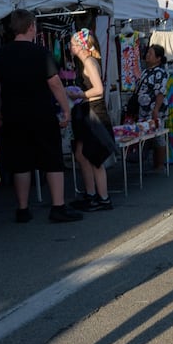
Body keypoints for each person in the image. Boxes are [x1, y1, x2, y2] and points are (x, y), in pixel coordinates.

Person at [0, 9, 83, 223]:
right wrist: (65, 109)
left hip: (13, 114)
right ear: (31, 27)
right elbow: (54, 83)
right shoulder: (41, 53)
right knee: (52, 159)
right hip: (41, 113)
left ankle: (22, 209)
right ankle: (58, 206)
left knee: (20, 162)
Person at [68, 28, 114, 212]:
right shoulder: (86, 62)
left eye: (72, 44)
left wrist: (80, 94)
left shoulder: (89, 62)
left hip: (94, 113)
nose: (70, 47)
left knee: (95, 158)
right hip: (88, 111)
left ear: (80, 46)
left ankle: (103, 198)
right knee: (82, 154)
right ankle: (91, 195)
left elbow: (99, 90)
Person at [136, 43, 171, 169]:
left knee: (158, 135)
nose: (147, 55)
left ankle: (160, 164)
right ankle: (151, 162)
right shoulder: (146, 71)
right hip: (143, 110)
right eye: (147, 53)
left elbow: (160, 92)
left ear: (158, 58)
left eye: (151, 53)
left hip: (155, 110)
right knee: (146, 134)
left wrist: (156, 109)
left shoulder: (160, 72)